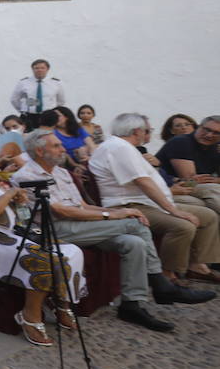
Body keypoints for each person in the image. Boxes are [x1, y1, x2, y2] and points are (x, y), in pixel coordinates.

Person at [13, 129, 212, 330]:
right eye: (56, 145)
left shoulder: (61, 172)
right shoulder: (26, 175)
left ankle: (131, 305)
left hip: (80, 225)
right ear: (39, 151)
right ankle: (160, 283)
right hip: (54, 229)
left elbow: (82, 205)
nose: (62, 148)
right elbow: (61, 211)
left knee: (133, 243)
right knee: (135, 224)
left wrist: (114, 211)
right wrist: (112, 215)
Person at [0, 139, 86, 347]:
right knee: (42, 257)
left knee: (71, 251)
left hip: (13, 232)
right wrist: (9, 194)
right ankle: (29, 316)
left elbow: (7, 209)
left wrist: (18, 202)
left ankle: (62, 302)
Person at [90, 113, 220, 284]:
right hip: (131, 205)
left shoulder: (125, 147)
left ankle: (195, 266)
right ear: (137, 131)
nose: (149, 134)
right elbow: (143, 182)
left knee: (209, 216)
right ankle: (166, 275)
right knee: (182, 226)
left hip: (148, 202)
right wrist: (173, 211)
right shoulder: (119, 148)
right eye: (148, 130)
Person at [157, 115, 220, 217]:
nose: (209, 135)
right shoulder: (181, 142)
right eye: (206, 129)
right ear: (199, 127)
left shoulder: (217, 146)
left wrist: (217, 180)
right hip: (173, 186)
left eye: (216, 133)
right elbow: (191, 181)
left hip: (195, 187)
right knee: (212, 190)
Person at [9, 59, 65, 130]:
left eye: (42, 68)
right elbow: (14, 99)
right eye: (36, 68)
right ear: (32, 69)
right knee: (28, 138)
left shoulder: (56, 83)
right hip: (29, 116)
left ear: (47, 69)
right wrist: (23, 110)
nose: (39, 70)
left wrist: (52, 111)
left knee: (47, 138)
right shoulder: (24, 82)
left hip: (48, 117)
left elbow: (61, 101)